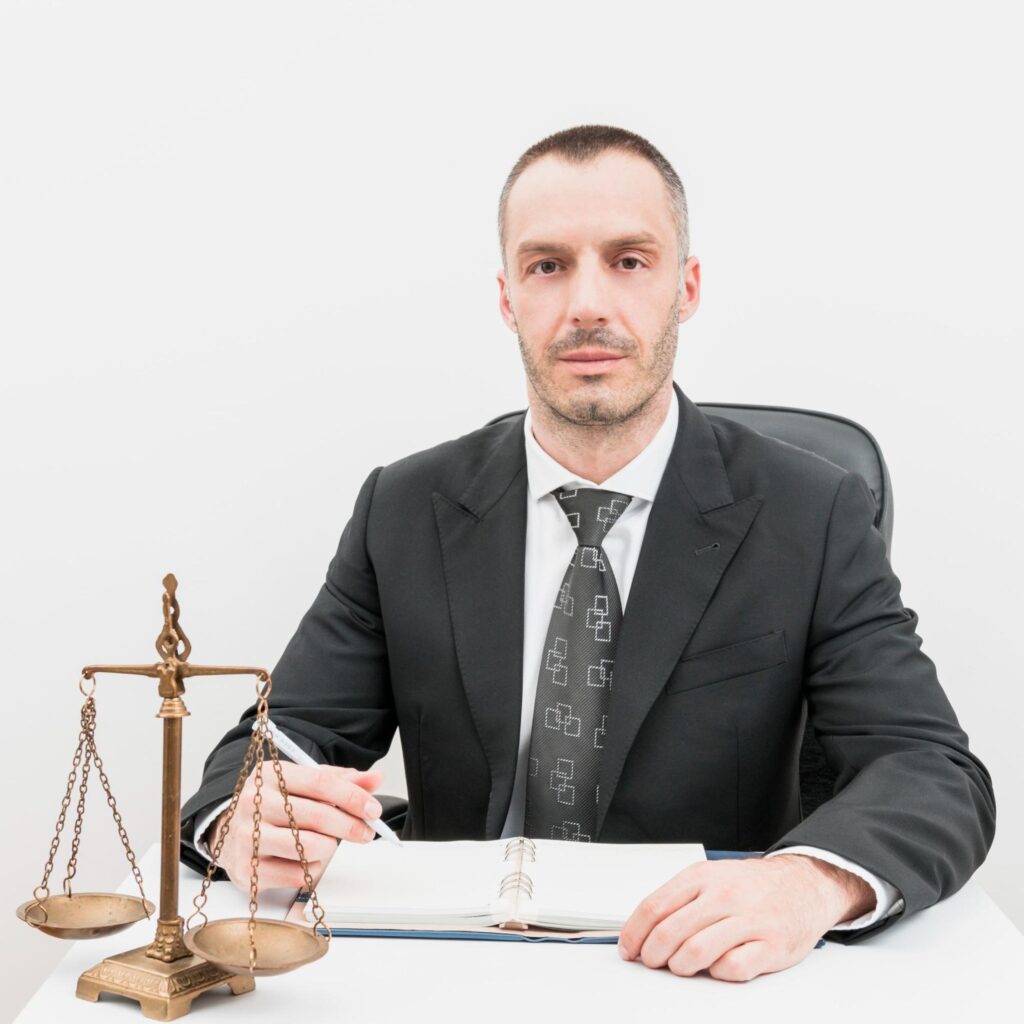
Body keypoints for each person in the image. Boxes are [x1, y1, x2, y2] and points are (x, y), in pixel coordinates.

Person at [180, 124, 995, 982]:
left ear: (687, 287)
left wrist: (808, 883)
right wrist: (241, 817)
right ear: (507, 298)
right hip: (454, 969)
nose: (588, 306)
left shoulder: (814, 512)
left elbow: (930, 770)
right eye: (548, 266)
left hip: (700, 975)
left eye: (631, 260)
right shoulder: (406, 506)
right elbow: (283, 740)